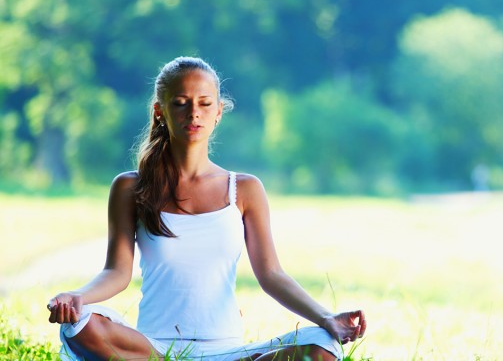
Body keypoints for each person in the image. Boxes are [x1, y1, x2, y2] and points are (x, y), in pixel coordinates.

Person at [47, 56, 366, 361]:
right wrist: (79, 297)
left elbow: (271, 275)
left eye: (204, 103)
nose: (193, 113)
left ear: (218, 113)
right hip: (152, 350)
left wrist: (326, 318)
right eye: (180, 103)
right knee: (79, 324)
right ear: (160, 111)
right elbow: (116, 273)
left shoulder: (245, 189)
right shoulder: (130, 187)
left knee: (322, 346)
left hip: (228, 352)